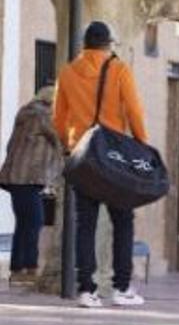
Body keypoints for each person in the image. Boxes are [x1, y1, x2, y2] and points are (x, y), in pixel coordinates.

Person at [52, 21, 148, 308]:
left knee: (86, 223)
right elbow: (134, 111)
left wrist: (68, 144)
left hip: (82, 156)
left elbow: (58, 118)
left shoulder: (68, 73)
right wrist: (142, 145)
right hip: (114, 156)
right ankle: (120, 288)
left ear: (84, 44)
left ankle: (86, 290)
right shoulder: (119, 70)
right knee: (122, 220)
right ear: (108, 44)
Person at [0, 86, 63, 284]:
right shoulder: (42, 115)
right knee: (35, 221)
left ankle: (18, 269)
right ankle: (29, 268)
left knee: (24, 223)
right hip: (28, 177)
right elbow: (59, 139)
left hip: (17, 176)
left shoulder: (26, 112)